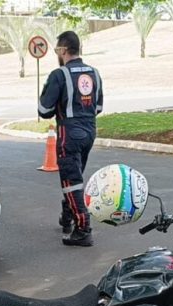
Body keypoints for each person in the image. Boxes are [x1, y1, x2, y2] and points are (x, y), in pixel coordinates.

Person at [38, 30, 104, 247]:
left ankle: (83, 229)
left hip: (69, 133)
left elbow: (44, 110)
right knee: (75, 175)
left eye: (57, 50)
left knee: (71, 181)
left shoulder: (59, 75)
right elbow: (99, 107)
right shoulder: (94, 73)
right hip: (90, 131)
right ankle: (67, 216)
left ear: (63, 50)